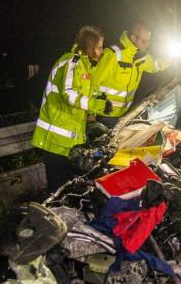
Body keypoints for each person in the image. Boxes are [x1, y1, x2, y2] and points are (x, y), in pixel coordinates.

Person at [31, 26, 112, 193]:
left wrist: (92, 115)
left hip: (68, 142)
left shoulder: (84, 67)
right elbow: (69, 94)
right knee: (57, 189)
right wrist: (96, 105)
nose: (102, 51)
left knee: (67, 188)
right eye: (99, 47)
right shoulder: (71, 62)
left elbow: (83, 98)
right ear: (89, 46)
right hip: (55, 140)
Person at [90, 22, 171, 129]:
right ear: (133, 37)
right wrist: (90, 113)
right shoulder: (113, 54)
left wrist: (170, 59)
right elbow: (93, 83)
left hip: (124, 114)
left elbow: (155, 66)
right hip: (104, 114)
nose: (146, 45)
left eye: (148, 41)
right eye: (143, 41)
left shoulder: (142, 56)